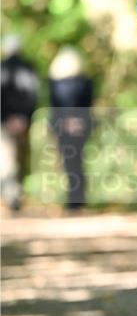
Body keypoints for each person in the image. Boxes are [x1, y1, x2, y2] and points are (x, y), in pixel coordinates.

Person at [48, 46, 94, 210]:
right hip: (81, 124)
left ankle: (74, 199)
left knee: (69, 161)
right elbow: (88, 104)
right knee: (78, 160)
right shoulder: (86, 81)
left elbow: (55, 105)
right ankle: (78, 198)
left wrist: (65, 121)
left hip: (64, 125)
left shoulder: (55, 83)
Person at [0, 34, 39, 212]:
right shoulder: (28, 68)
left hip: (7, 122)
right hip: (21, 122)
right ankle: (13, 197)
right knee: (17, 159)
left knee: (9, 159)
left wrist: (7, 118)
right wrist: (24, 117)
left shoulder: (3, 68)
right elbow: (32, 96)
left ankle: (13, 196)